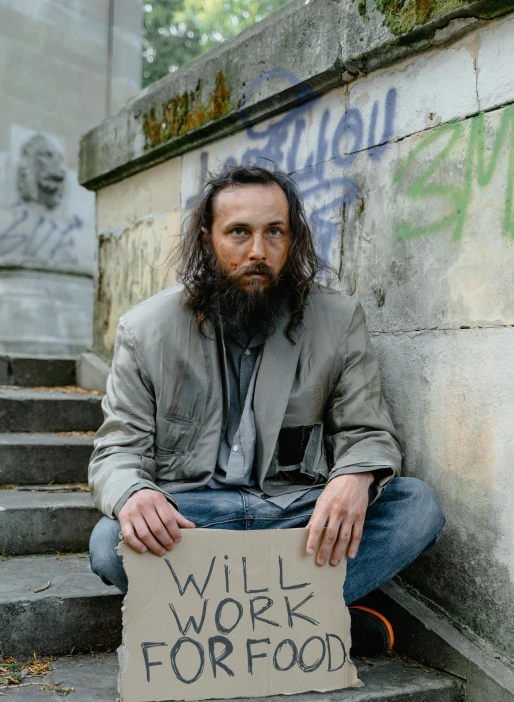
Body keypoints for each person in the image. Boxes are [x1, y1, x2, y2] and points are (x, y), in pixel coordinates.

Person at [89, 164, 444, 656]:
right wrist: (133, 496)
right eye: (239, 232)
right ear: (207, 238)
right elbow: (115, 451)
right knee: (110, 542)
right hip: (195, 521)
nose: (258, 251)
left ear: (292, 239)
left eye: (274, 232)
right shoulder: (145, 331)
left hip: (293, 514)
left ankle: (226, 624)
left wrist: (356, 477)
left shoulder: (338, 321)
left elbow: (368, 431)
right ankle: (311, 618)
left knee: (416, 506)